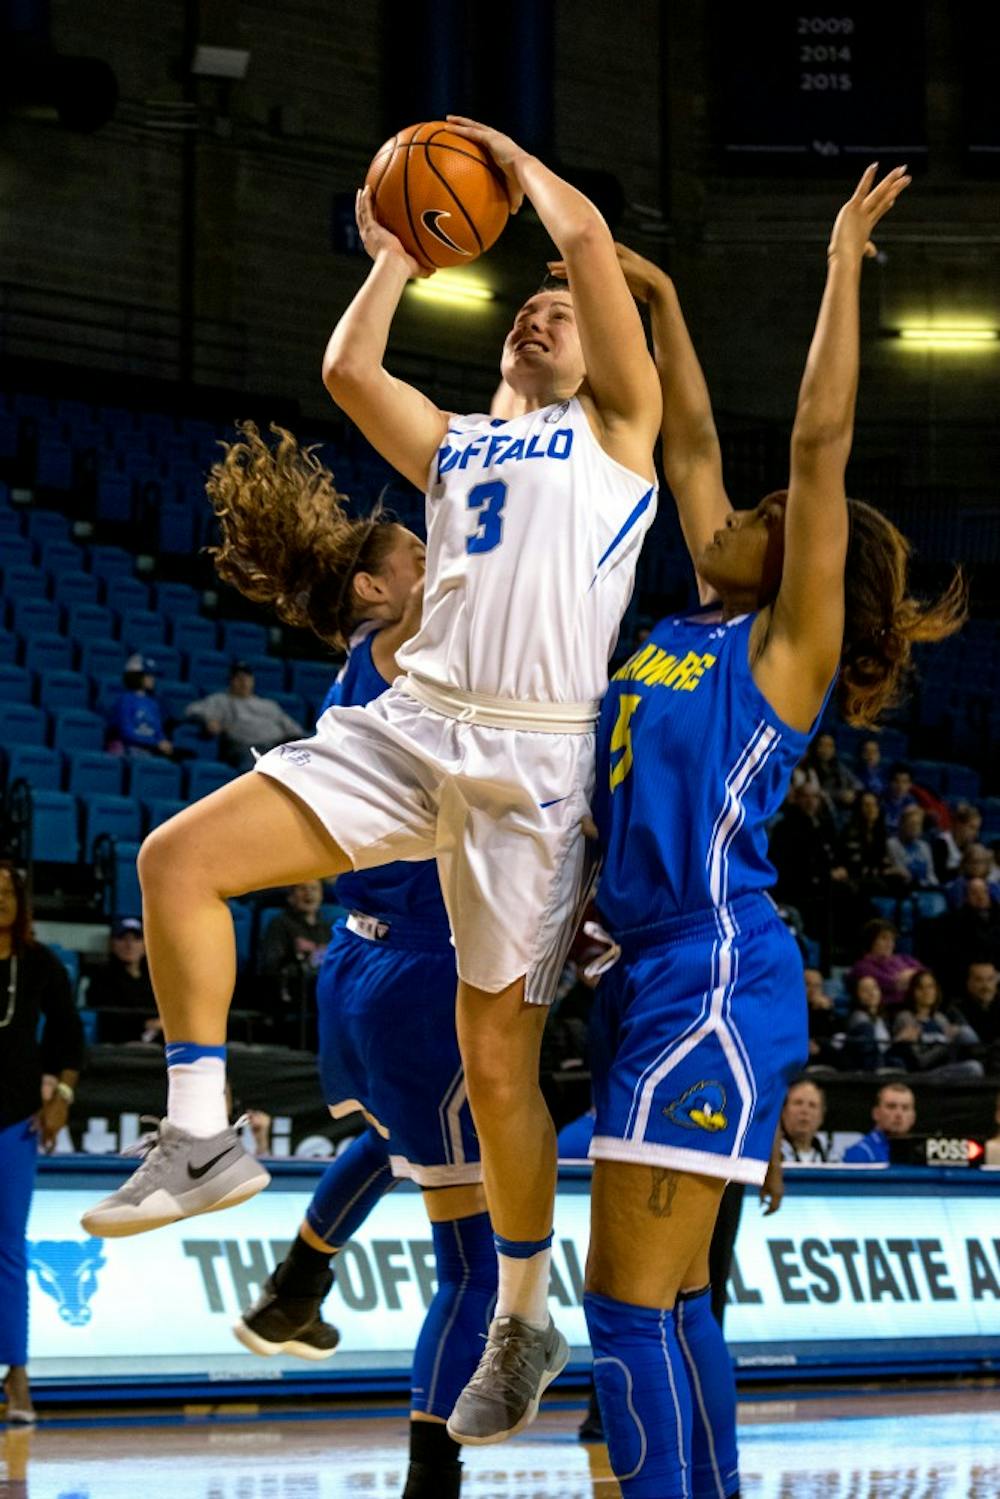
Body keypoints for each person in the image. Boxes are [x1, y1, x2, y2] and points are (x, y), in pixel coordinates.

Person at [82, 114, 662, 1450]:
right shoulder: (459, 447)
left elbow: (579, 241)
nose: (541, 318)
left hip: (535, 755)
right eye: (525, 310)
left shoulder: (617, 439)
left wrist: (517, 172)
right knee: (177, 856)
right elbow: (348, 365)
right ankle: (199, 1132)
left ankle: (524, 1308)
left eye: (565, 315)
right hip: (417, 724)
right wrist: (397, 251)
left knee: (496, 1065)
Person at [573, 168, 962, 1496]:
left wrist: (843, 261)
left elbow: (813, 448)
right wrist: (668, 307)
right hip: (655, 972)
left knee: (625, 1310)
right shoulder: (694, 620)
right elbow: (689, 446)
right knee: (673, 1306)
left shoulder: (783, 650)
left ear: (794, 557)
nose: (725, 517)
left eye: (754, 522)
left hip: (711, 969)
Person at [0, 862, 84, 1425]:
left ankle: (17, 1376)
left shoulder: (38, 964)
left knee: (8, 1249)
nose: (1, 901)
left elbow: (69, 1035)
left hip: (12, 1120)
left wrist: (62, 1097)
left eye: (8, 892)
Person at [186, 661, 305, 770]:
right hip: (244, 748)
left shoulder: (268, 705)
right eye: (238, 678)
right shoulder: (220, 700)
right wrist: (208, 721)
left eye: (247, 678)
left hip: (276, 748)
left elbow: (295, 730)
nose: (244, 682)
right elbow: (192, 710)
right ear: (230, 680)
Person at [891, 969, 983, 1081]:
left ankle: (984, 1057)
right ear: (912, 991)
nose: (926, 992)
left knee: (965, 1033)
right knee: (974, 1068)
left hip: (946, 1068)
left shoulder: (940, 1018)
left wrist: (953, 1039)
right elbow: (920, 1062)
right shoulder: (905, 1017)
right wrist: (946, 1044)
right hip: (922, 1074)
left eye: (930, 987)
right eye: (921, 988)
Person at [85, 917, 159, 1044]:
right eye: (122, 938)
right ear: (112, 944)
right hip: (117, 1045)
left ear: (145, 944)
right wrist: (145, 1024)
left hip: (158, 1044)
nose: (129, 945)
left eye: (136, 939)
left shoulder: (154, 978)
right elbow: (108, 1018)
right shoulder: (101, 977)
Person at [106, 654, 175, 758]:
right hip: (128, 749)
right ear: (136, 676)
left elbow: (158, 730)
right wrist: (155, 743)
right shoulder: (125, 700)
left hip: (148, 752)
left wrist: (164, 742)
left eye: (153, 675)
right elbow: (126, 732)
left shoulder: (153, 703)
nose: (153, 679)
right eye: (148, 675)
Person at [848, 919, 925, 1010]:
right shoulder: (862, 966)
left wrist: (908, 977)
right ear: (871, 940)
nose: (890, 943)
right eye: (884, 938)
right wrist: (912, 975)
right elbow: (893, 983)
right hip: (889, 1010)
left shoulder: (904, 958)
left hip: (916, 1007)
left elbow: (926, 977)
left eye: (892, 939)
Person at [842, 1081, 916, 1163]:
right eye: (891, 1107)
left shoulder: (920, 1153)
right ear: (876, 1113)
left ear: (913, 1117)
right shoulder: (860, 1153)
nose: (899, 1114)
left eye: (905, 1108)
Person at [843, 973, 901, 1072]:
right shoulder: (857, 1018)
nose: (872, 993)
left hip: (883, 1062)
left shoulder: (884, 1019)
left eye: (874, 988)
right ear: (856, 995)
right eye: (865, 990)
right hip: (866, 1068)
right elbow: (868, 1051)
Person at [950, 960, 1000, 1073]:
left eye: (990, 979)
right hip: (974, 1062)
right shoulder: (957, 1008)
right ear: (969, 983)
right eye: (979, 980)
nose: (985, 986)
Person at [805, 730, 859, 818]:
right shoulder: (809, 768)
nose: (826, 749)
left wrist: (852, 792)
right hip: (821, 810)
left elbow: (857, 784)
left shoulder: (839, 766)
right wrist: (840, 795)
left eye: (830, 746)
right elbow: (817, 792)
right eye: (822, 745)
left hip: (843, 810)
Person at [886, 804, 938, 889]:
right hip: (905, 890)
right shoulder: (892, 844)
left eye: (918, 824)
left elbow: (930, 874)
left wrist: (937, 888)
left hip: (927, 890)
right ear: (902, 824)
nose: (915, 828)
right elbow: (903, 873)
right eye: (912, 824)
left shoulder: (924, 846)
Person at [779, 1080, 830, 1162]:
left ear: (821, 1116)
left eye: (812, 1105)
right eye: (798, 1103)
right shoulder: (767, 1154)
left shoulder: (832, 1158)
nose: (805, 1111)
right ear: (783, 1112)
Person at [932, 801, 983, 883]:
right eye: (972, 827)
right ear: (959, 824)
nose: (975, 833)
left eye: (977, 829)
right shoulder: (942, 842)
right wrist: (963, 869)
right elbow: (939, 875)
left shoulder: (973, 844)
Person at [803, 967, 841, 1068]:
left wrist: (825, 1012)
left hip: (827, 1059)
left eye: (817, 986)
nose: (813, 990)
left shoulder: (826, 1010)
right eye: (807, 984)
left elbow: (835, 1038)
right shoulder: (792, 1010)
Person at [881, 763, 918, 836]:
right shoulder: (880, 800)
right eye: (896, 781)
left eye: (904, 782)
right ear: (889, 782)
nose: (900, 786)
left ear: (910, 785)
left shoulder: (912, 804)